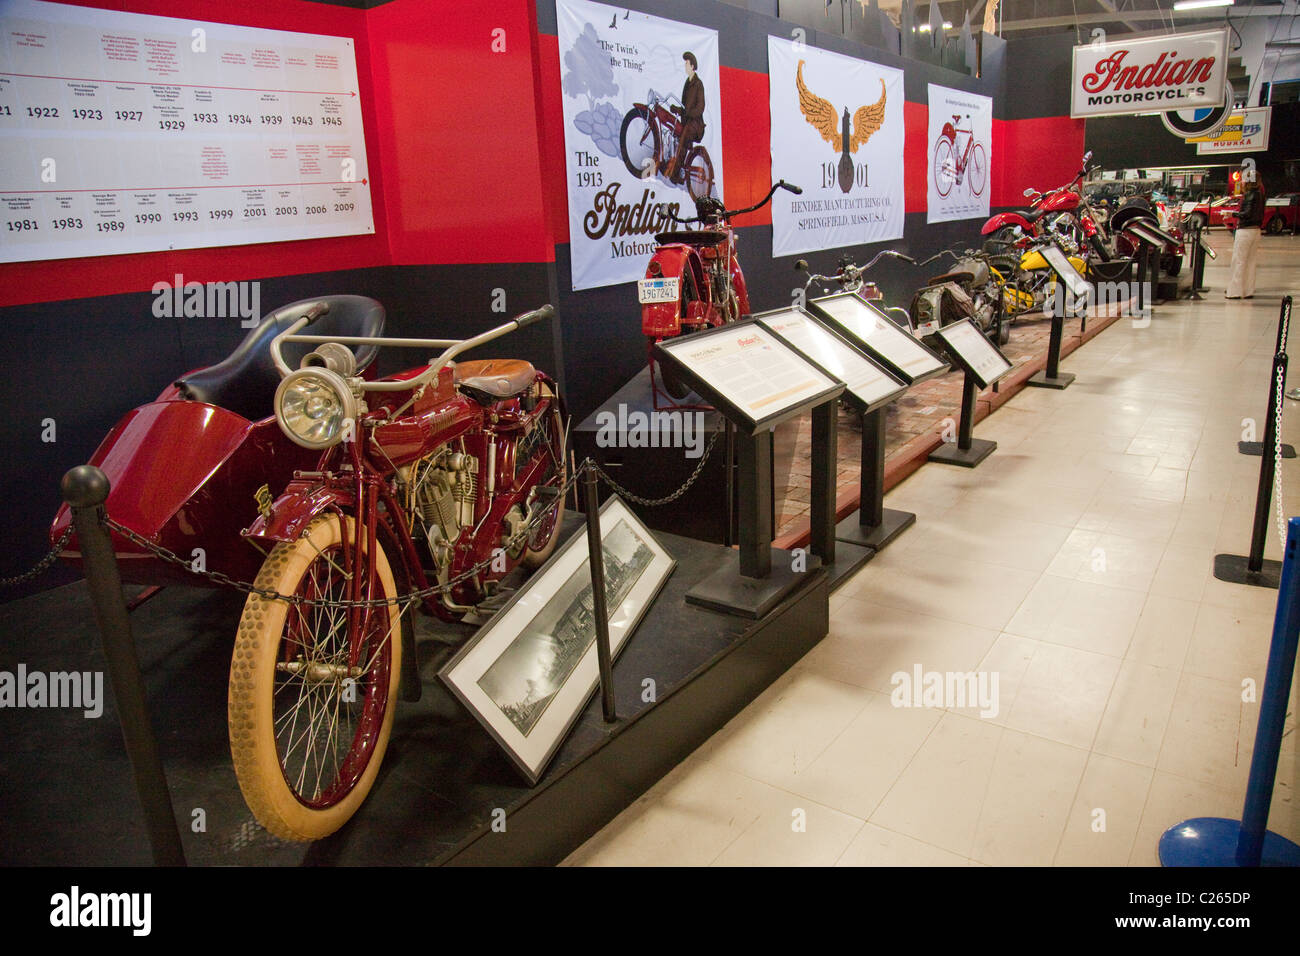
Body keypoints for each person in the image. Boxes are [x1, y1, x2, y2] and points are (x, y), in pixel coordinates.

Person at [665, 51, 705, 184]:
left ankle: (675, 175)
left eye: (687, 64)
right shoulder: (687, 83)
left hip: (696, 124)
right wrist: (676, 109)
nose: (685, 66)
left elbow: (700, 107)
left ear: (693, 66)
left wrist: (687, 113)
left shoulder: (698, 84)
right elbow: (685, 107)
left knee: (682, 141)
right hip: (687, 121)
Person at [1226, 171, 1265, 299]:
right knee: (1251, 261)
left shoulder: (1249, 195)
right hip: (1256, 231)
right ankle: (1248, 290)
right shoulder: (1260, 194)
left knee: (1239, 260)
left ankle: (1235, 291)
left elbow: (1246, 214)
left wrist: (1232, 214)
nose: (1241, 182)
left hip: (1245, 231)